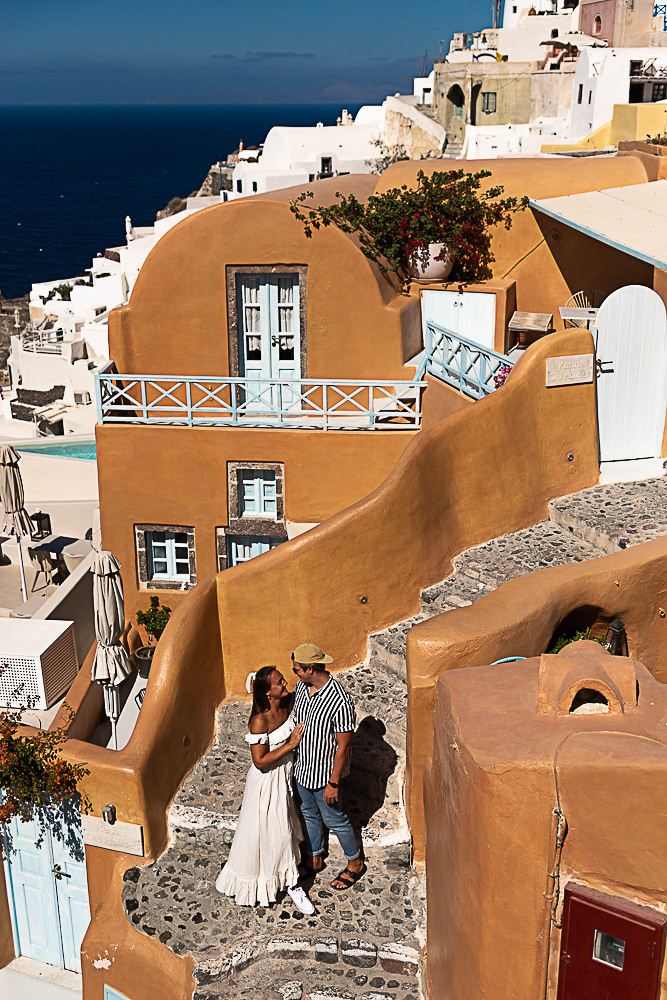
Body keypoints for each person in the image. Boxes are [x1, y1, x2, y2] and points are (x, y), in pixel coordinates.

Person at [215, 665, 315, 914]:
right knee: (276, 831)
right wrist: (291, 744)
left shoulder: (287, 703)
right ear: (268, 693)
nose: (284, 684)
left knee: (287, 828)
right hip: (267, 782)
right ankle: (292, 885)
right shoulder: (259, 720)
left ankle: (287, 876)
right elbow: (259, 761)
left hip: (285, 776)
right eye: (279, 682)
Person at [291, 643, 366, 891]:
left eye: (297, 670)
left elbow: (343, 747)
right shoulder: (303, 687)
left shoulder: (339, 700)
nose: (295, 674)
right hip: (303, 768)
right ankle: (315, 857)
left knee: (335, 820)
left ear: (310, 668)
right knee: (309, 814)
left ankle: (355, 864)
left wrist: (333, 782)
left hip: (325, 775)